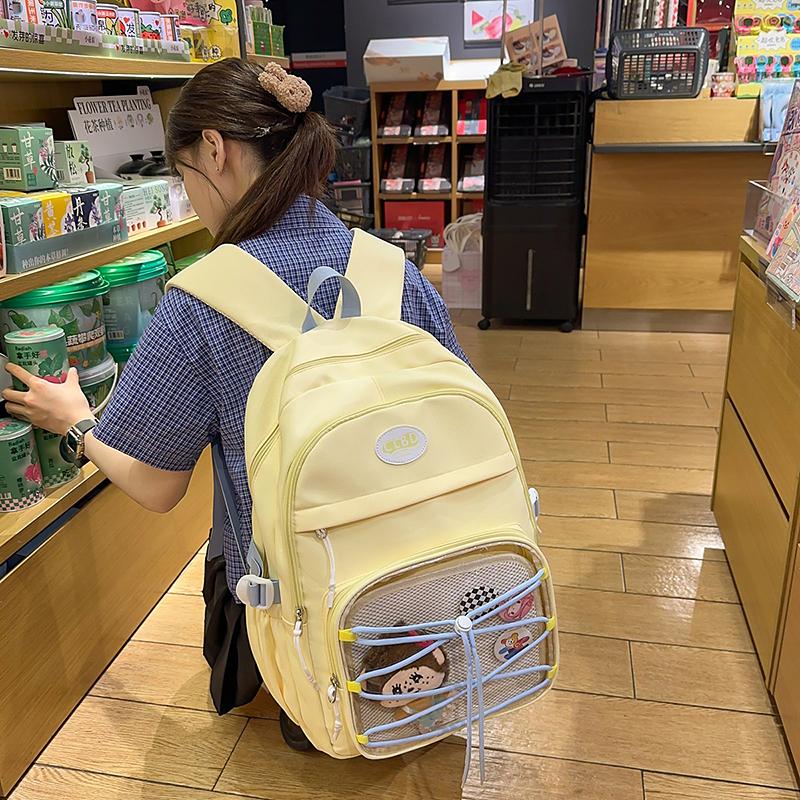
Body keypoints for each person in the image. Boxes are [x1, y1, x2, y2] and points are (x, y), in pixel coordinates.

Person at [2, 58, 468, 723]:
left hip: (302, 604)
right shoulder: (395, 269)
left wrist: (76, 424)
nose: (190, 195)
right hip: (421, 571)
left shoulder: (201, 303)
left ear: (215, 150)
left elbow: (156, 485)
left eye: (185, 174)